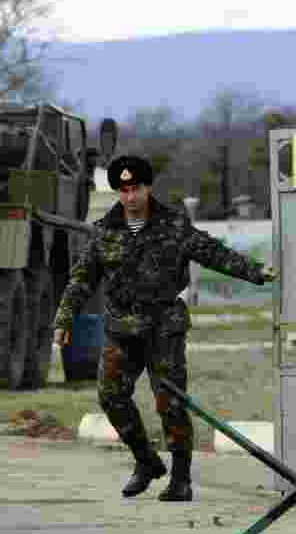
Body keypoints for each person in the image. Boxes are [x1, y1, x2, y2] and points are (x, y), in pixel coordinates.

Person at [53, 155, 277, 502]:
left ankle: (181, 478)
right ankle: (145, 461)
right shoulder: (103, 231)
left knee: (170, 401)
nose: (130, 197)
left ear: (147, 187)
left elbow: (213, 253)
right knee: (110, 396)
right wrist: (64, 319)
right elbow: (82, 279)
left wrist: (256, 272)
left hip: (163, 327)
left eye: (136, 188)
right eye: (123, 190)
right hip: (121, 328)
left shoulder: (173, 225)